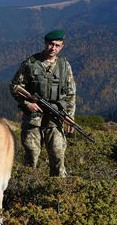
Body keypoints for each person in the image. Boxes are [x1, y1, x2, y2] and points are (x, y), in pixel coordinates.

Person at [10, 29, 76, 177]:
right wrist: (27, 103)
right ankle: (26, 188)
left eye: (57, 45)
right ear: (45, 43)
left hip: (55, 118)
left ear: (62, 46)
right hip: (33, 118)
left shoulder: (65, 66)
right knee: (31, 156)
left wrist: (70, 117)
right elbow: (14, 87)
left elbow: (71, 93)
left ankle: (58, 192)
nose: (53, 48)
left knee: (58, 155)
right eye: (51, 44)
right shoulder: (30, 63)